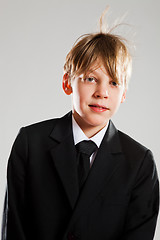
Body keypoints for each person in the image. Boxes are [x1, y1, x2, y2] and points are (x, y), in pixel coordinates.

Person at [1, 9, 159, 240]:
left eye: (114, 82)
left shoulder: (139, 163)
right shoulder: (30, 143)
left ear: (124, 93)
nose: (102, 92)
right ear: (68, 82)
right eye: (91, 79)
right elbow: (14, 229)